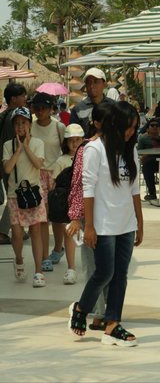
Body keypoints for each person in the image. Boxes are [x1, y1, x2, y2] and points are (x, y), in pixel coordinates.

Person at [68, 101, 143, 347]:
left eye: (134, 127)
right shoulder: (94, 150)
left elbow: (134, 189)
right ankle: (81, 309)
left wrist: (139, 223)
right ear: (115, 124)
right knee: (105, 272)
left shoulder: (131, 150)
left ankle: (112, 324)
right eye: (128, 127)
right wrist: (89, 226)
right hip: (102, 223)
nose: (131, 132)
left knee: (121, 275)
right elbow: (87, 189)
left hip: (126, 223)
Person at [66, 103, 113, 331]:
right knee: (94, 268)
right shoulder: (86, 149)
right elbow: (78, 186)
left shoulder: (116, 147)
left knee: (110, 268)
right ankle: (95, 311)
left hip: (111, 217)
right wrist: (76, 217)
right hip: (89, 217)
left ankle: (105, 312)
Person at [2, 107, 46, 287]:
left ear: (30, 125)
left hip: (34, 193)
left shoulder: (38, 143)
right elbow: (7, 168)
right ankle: (19, 258)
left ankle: (38, 271)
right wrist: (19, 149)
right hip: (14, 195)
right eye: (17, 123)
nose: (21, 127)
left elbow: (38, 164)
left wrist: (26, 146)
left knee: (35, 230)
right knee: (17, 234)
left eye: (24, 123)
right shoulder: (7, 145)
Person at [30, 92, 66, 273]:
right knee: (42, 218)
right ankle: (44, 257)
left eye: (43, 107)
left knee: (57, 216)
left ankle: (58, 249)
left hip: (55, 174)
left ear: (51, 109)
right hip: (35, 175)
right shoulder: (30, 126)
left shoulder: (59, 127)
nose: (39, 111)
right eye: (36, 107)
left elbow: (65, 150)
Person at [51, 123, 85, 285]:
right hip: (69, 204)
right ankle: (71, 268)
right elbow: (55, 183)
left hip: (88, 201)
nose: (74, 143)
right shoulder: (61, 160)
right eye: (71, 140)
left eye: (78, 139)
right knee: (69, 233)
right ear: (65, 142)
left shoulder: (89, 156)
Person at [0, 83, 28, 244]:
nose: (25, 99)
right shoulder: (14, 118)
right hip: (12, 163)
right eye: (22, 96)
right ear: (13, 99)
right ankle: (2, 231)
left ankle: (20, 229)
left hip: (5, 162)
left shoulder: (4, 115)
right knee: (15, 196)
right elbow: (14, 142)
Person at [70, 67, 115, 134]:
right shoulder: (77, 110)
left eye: (96, 82)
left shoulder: (113, 106)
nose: (92, 86)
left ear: (104, 84)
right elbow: (74, 136)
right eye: (88, 82)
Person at [138, 119, 160, 201]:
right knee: (146, 167)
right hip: (151, 160)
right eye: (152, 125)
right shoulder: (143, 138)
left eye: (157, 125)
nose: (155, 127)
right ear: (147, 129)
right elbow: (139, 152)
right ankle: (152, 193)